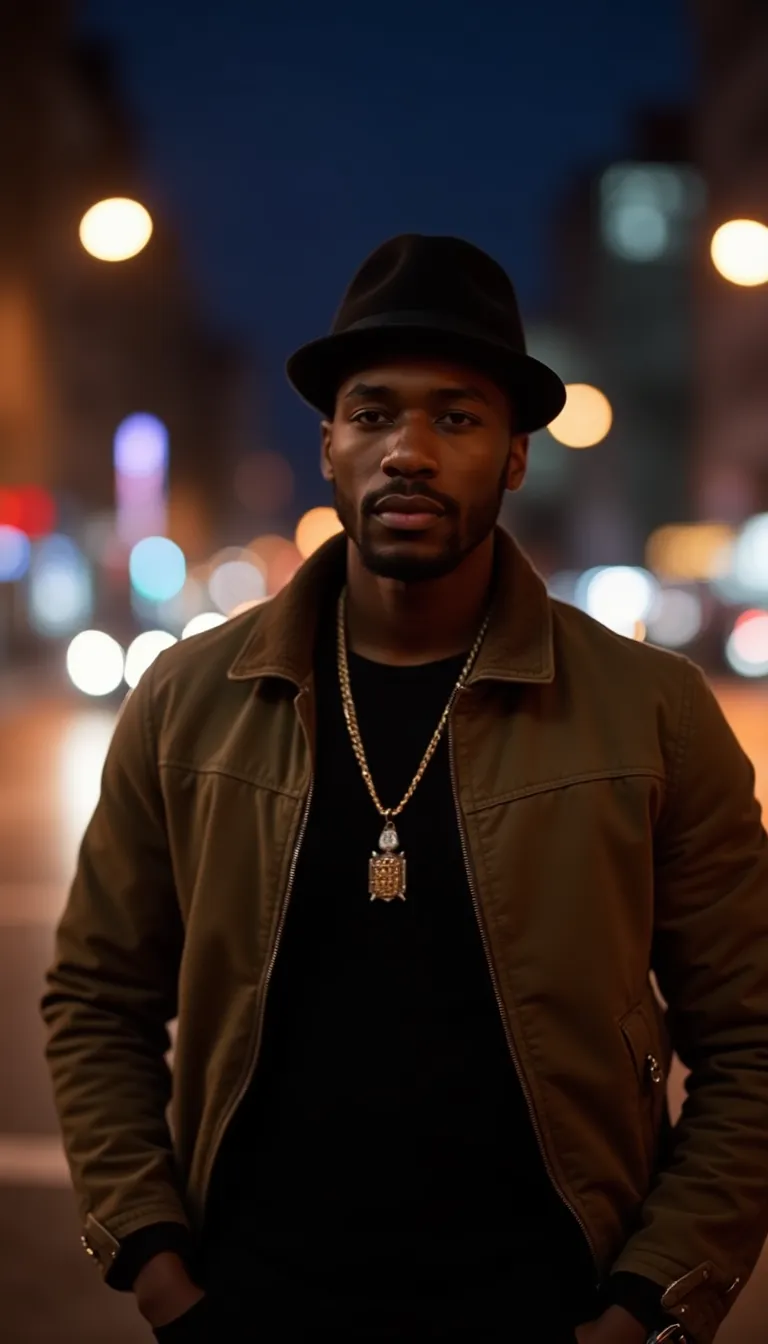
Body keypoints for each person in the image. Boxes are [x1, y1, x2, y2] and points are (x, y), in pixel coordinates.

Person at [41, 234, 768, 1344]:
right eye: (373, 414)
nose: (408, 453)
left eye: (457, 417)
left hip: (553, 1301)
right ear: (329, 446)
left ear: (518, 456)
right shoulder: (189, 700)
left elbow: (753, 1040)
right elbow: (98, 1002)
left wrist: (647, 1303)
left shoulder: (652, 713)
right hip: (249, 1302)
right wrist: (155, 1265)